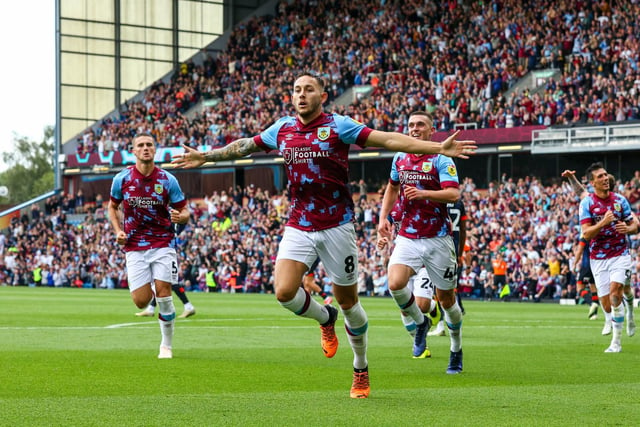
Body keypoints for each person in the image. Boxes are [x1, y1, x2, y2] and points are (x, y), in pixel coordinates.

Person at [172, 73, 476, 397]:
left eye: (308, 89)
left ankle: (360, 367)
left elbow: (387, 140)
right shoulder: (283, 129)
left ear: (323, 95)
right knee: (284, 292)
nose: (301, 95)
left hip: (337, 226)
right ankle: (324, 316)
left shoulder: (339, 126)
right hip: (299, 223)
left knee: (349, 302)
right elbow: (245, 146)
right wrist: (207, 156)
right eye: (296, 90)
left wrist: (435, 147)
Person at [376, 110, 464, 374]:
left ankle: (456, 349)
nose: (414, 128)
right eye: (411, 125)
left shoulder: (440, 158)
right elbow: (392, 188)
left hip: (438, 239)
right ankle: (420, 323)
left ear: (431, 130)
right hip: (408, 237)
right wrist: (383, 219)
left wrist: (424, 192)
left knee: (447, 301)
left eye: (420, 125)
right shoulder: (400, 157)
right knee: (395, 284)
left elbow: (454, 193)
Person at [108, 132, 190, 359]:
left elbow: (185, 211)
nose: (145, 148)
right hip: (134, 246)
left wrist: (180, 218)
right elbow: (112, 207)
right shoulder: (122, 179)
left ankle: (166, 345)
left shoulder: (167, 180)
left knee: (164, 295)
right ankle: (155, 286)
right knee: (140, 301)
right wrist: (118, 231)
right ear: (133, 151)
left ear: (155, 150)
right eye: (141, 145)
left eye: (149, 145)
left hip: (163, 243)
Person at [563, 169, 636, 337]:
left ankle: (625, 322)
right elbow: (580, 192)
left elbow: (635, 224)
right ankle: (608, 318)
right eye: (601, 177)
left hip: (620, 253)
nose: (605, 180)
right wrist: (572, 177)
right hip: (599, 256)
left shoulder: (620, 201)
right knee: (608, 300)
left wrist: (628, 228)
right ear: (594, 183)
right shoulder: (589, 201)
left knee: (618, 290)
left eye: (606, 177)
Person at [136, 223, 196, 318]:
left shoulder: (170, 217)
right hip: (165, 250)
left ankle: (188, 306)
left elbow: (182, 221)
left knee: (172, 282)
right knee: (161, 282)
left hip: (168, 252)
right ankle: (151, 308)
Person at [430, 198, 468, 337]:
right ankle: (455, 324)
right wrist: (460, 253)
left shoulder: (438, 198)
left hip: (440, 245)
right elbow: (463, 230)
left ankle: (441, 325)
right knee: (450, 290)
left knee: (438, 289)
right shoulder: (459, 202)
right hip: (454, 248)